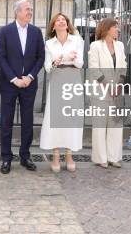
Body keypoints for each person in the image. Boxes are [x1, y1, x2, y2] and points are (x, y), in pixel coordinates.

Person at [0, 0, 45, 174]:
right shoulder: (5, 31)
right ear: (17, 12)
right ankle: (6, 158)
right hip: (9, 85)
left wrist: (30, 77)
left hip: (29, 84)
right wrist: (14, 79)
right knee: (6, 122)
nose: (30, 12)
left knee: (27, 122)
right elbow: (0, 57)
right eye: (27, 9)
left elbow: (41, 57)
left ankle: (25, 156)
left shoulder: (36, 32)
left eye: (31, 9)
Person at [39, 13, 84, 173]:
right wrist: (62, 58)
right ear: (53, 26)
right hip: (57, 80)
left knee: (71, 117)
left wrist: (63, 58)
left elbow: (79, 63)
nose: (61, 21)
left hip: (73, 79)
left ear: (67, 24)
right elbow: (48, 67)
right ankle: (56, 155)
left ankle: (69, 155)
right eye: (58, 20)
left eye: (63, 20)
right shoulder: (49, 44)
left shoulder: (77, 40)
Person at [88, 18, 127, 168]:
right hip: (100, 92)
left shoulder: (120, 45)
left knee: (115, 125)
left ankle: (114, 156)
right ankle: (100, 158)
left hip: (117, 91)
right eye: (115, 27)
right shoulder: (96, 45)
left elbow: (123, 66)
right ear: (106, 29)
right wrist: (108, 86)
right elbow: (94, 69)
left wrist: (119, 85)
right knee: (99, 125)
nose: (118, 29)